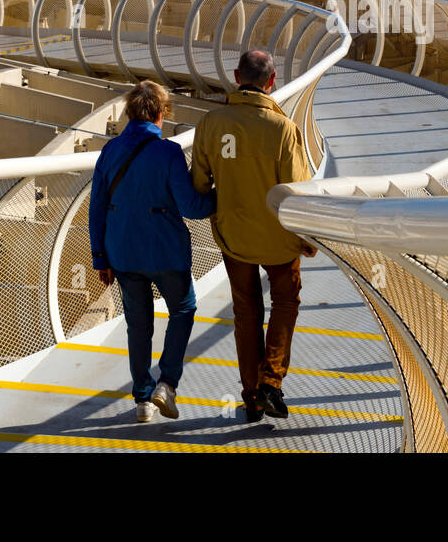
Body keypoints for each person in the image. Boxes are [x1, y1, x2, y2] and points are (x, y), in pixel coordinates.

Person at [191, 50, 315, 423]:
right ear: (272, 81)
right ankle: (271, 381)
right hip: (280, 238)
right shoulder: (284, 129)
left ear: (235, 76)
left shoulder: (211, 123)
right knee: (285, 302)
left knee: (246, 313)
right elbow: (297, 191)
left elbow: (199, 182)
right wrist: (307, 238)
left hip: (234, 237)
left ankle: (251, 399)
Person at [88, 80, 215, 422]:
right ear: (161, 114)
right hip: (165, 251)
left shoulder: (110, 152)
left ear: (130, 113)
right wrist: (220, 196)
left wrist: (100, 257)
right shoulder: (170, 152)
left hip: (122, 252)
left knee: (138, 324)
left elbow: (96, 208)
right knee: (183, 310)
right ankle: (167, 383)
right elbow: (191, 207)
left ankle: (143, 399)